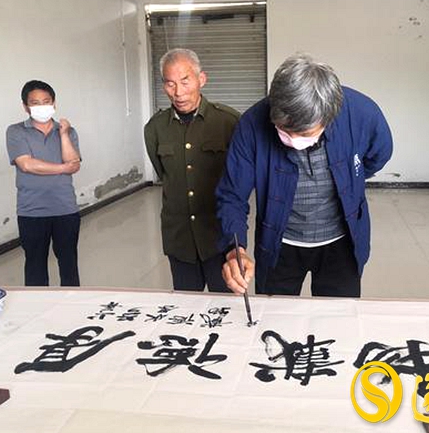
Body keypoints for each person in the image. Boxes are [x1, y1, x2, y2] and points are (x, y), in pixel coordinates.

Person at [217, 53, 393, 298]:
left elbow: (378, 154)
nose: (293, 140)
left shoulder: (361, 113)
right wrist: (235, 249)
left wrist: (351, 179)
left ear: (328, 117)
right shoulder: (252, 124)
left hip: (342, 242)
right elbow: (232, 195)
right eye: (285, 131)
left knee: (338, 315)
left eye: (305, 133)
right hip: (279, 243)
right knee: (276, 314)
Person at [144, 48, 240, 292]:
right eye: (170, 84)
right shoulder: (155, 128)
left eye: (185, 81)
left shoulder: (228, 122)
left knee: (225, 306)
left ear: (201, 79)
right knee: (186, 305)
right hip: (180, 239)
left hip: (219, 237)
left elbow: (239, 179)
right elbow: (166, 175)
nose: (178, 92)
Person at [6, 80, 81, 286]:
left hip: (65, 209)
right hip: (32, 211)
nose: (42, 106)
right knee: (35, 267)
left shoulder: (68, 131)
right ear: (25, 107)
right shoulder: (16, 131)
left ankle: (72, 301)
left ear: (54, 103)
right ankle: (36, 304)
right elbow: (27, 164)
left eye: (46, 101)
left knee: (69, 264)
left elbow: (74, 163)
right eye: (35, 103)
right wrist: (64, 168)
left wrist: (63, 134)